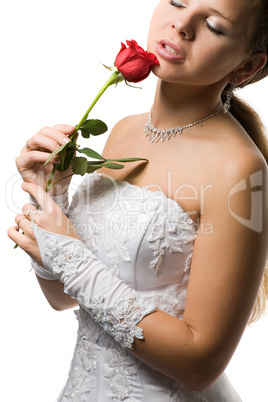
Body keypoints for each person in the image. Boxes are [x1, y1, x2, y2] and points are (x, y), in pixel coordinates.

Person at [8, 0, 268, 400]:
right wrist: (51, 194)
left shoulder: (240, 170)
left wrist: (69, 255)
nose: (181, 25)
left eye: (214, 25)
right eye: (177, 1)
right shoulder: (122, 132)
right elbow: (63, 297)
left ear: (246, 68)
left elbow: (201, 366)